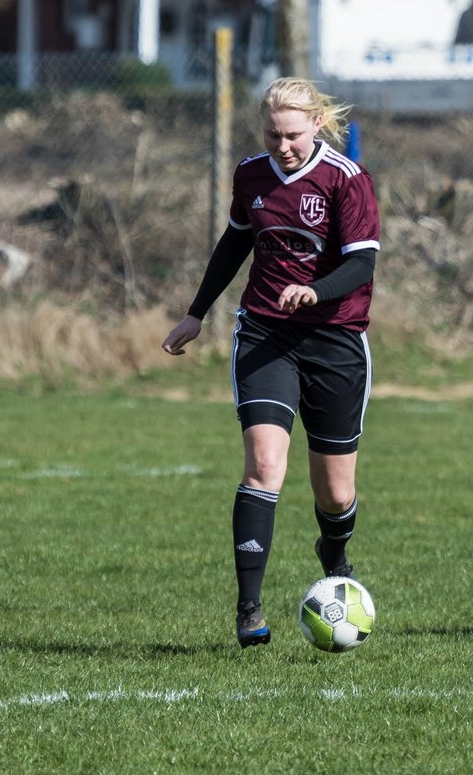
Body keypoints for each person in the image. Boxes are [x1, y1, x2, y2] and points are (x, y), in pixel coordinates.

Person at [161, 78, 380, 648]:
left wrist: (315, 290)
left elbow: (361, 266)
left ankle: (334, 555)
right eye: (272, 134)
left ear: (317, 125)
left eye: (293, 135)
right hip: (265, 334)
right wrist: (196, 313)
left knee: (334, 494)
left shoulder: (346, 180)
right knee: (263, 464)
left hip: (335, 341)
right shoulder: (251, 174)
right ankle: (249, 609)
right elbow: (234, 243)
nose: (282, 146)